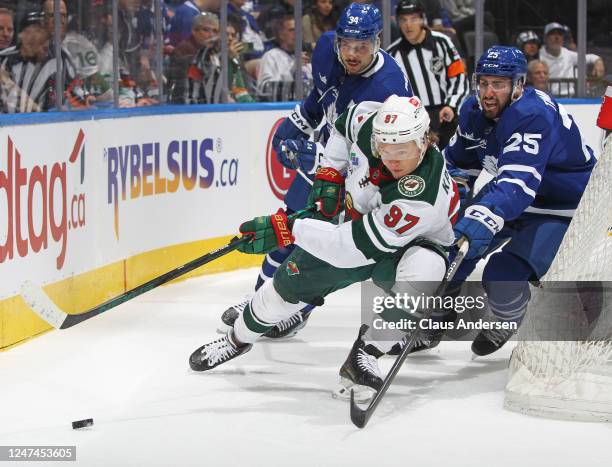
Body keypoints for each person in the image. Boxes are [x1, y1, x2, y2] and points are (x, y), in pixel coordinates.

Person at [190, 95, 459, 402]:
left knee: (426, 270)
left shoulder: (421, 196)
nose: (393, 160)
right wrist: (330, 174)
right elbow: (343, 126)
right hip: (359, 225)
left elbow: (350, 248)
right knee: (283, 291)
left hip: (407, 243)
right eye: (385, 149)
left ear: (424, 142)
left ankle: (366, 354)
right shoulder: (369, 123)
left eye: (402, 151)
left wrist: (288, 230)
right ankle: (237, 339)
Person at [220, 2, 413, 338]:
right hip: (327, 159)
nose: (351, 54)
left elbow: (380, 151)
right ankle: (258, 301)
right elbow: (321, 97)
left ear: (377, 43)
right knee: (287, 228)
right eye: (346, 45)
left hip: (364, 177)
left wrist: (317, 157)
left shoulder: (388, 88)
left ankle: (297, 309)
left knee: (320, 246)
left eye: (361, 47)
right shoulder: (326, 48)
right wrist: (297, 124)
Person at [443, 45, 596, 356]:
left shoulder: (532, 114)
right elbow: (457, 166)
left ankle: (505, 317)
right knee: (450, 248)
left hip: (562, 205)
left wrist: (483, 216)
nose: (488, 92)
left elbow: (519, 183)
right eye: (484, 82)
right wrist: (450, 209)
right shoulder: (474, 111)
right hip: (515, 194)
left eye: (498, 84)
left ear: (518, 85)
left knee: (501, 274)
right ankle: (435, 318)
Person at [387, 0, 469, 150]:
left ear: (422, 19)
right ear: (397, 22)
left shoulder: (443, 42)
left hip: (446, 115)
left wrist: (452, 105)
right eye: (403, 20)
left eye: (413, 18)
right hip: (413, 120)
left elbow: (459, 77)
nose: (408, 25)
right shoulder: (393, 54)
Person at [539, 22, 603, 97]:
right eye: (552, 34)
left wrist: (598, 61)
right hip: (547, 98)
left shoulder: (568, 54)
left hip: (570, 98)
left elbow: (591, 58)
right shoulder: (538, 55)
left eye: (560, 34)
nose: (556, 37)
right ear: (545, 38)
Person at [256, 15, 312, 101]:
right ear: (281, 34)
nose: (297, 33)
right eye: (292, 30)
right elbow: (265, 89)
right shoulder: (271, 56)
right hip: (282, 110)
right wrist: (293, 69)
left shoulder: (305, 58)